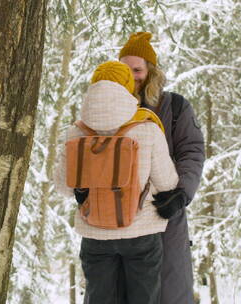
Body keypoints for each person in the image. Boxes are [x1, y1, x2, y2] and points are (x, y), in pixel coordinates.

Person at [54, 61, 179, 304]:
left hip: (95, 233)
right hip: (141, 232)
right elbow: (167, 183)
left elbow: (63, 186)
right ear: (128, 88)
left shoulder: (76, 132)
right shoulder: (147, 128)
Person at [116, 32, 206, 304]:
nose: (132, 76)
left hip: (164, 213)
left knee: (169, 293)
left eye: (138, 69)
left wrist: (180, 194)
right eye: (125, 69)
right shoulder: (109, 108)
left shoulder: (176, 107)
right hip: (118, 217)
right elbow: (89, 152)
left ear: (151, 71)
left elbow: (192, 151)